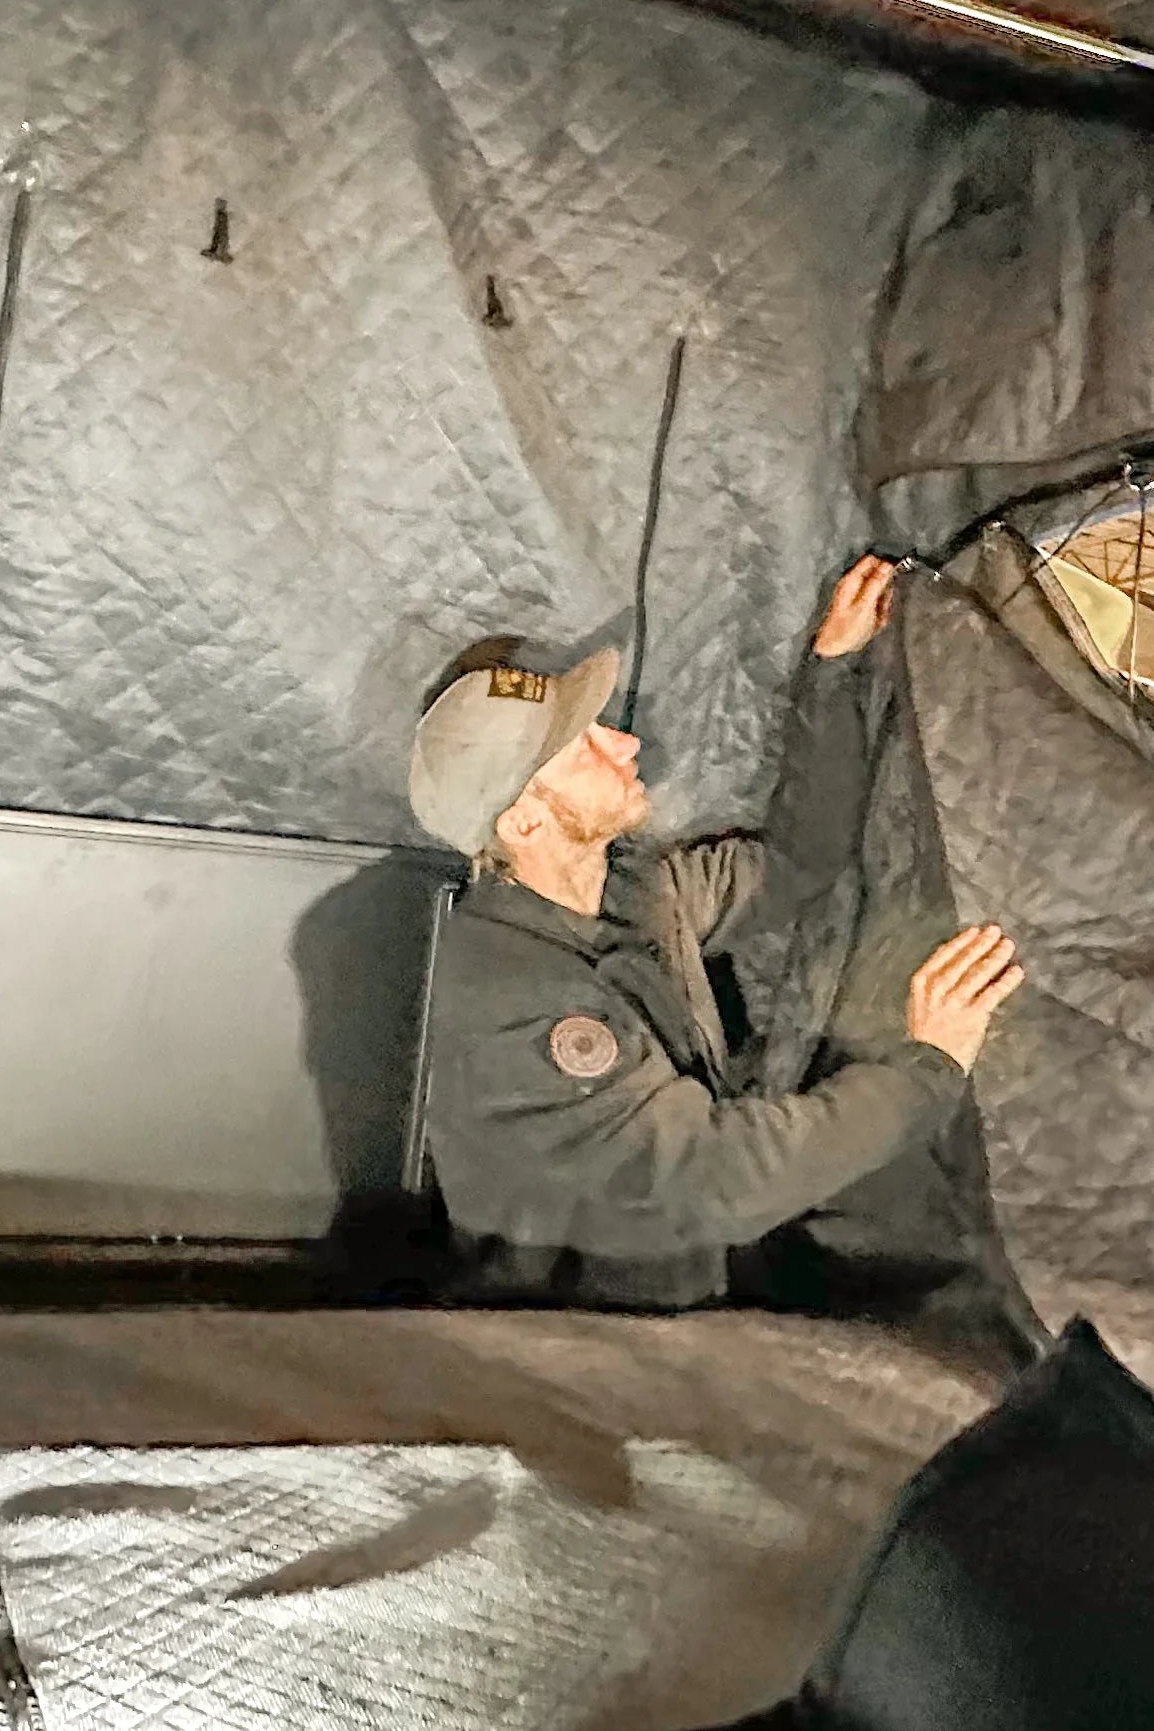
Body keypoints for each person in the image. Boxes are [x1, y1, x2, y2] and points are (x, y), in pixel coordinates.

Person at [408, 555, 1026, 1315]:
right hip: (586, 1343)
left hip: (692, 1296)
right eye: (588, 749)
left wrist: (832, 673)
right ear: (525, 821)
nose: (626, 746)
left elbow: (799, 864)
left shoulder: (637, 892)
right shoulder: (511, 1002)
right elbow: (712, 1181)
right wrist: (927, 1068)